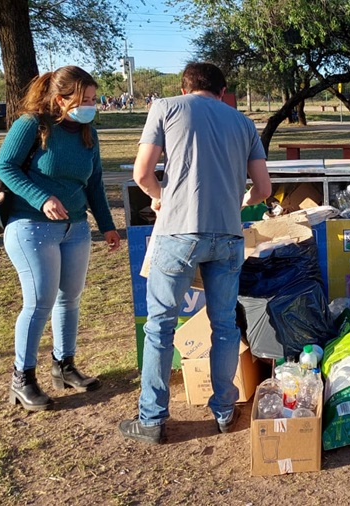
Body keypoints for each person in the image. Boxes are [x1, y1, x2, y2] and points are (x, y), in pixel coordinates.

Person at [119, 62, 271, 444]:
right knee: (224, 326)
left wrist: (161, 199)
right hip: (228, 236)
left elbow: (142, 174)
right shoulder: (244, 123)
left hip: (178, 233)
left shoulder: (166, 107)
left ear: (185, 88)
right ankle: (224, 410)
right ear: (223, 92)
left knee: (159, 327)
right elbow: (264, 190)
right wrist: (238, 203)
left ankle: (152, 420)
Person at [0, 66, 121, 411]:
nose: (91, 106)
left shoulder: (87, 131)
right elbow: (4, 167)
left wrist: (107, 225)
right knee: (39, 303)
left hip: (76, 228)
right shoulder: (32, 125)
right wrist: (42, 198)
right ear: (59, 98)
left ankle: (64, 366)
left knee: (70, 300)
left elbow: (93, 183)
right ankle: (22, 378)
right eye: (84, 100)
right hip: (31, 227)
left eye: (94, 100)